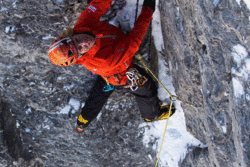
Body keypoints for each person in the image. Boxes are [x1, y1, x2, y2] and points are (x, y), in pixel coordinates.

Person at [48, 0, 174, 133]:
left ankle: (83, 120)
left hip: (107, 66)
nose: (84, 42)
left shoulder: (82, 25)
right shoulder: (103, 60)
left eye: (77, 40)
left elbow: (98, 4)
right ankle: (151, 116)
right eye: (80, 49)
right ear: (80, 56)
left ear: (71, 35)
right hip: (120, 71)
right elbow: (133, 42)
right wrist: (148, 10)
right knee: (145, 88)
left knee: (100, 92)